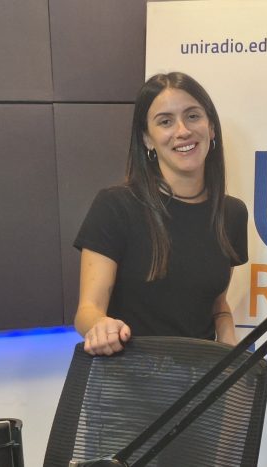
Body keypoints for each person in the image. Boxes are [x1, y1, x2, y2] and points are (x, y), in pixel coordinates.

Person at [73, 72, 247, 356]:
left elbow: (217, 305)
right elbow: (87, 311)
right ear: (147, 139)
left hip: (202, 375)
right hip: (130, 375)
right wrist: (101, 326)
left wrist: (227, 336)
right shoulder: (115, 206)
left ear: (211, 127)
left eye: (193, 116)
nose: (183, 131)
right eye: (165, 121)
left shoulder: (232, 214)